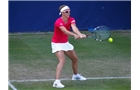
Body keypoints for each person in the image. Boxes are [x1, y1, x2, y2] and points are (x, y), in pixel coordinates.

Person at [51, 5, 87, 88]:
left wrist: (79, 34)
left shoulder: (71, 19)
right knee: (62, 60)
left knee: (75, 59)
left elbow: (74, 27)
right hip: (57, 43)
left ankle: (75, 75)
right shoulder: (58, 21)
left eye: (69, 11)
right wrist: (75, 35)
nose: (68, 12)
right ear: (62, 13)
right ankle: (56, 82)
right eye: (67, 11)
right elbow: (65, 31)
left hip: (65, 43)